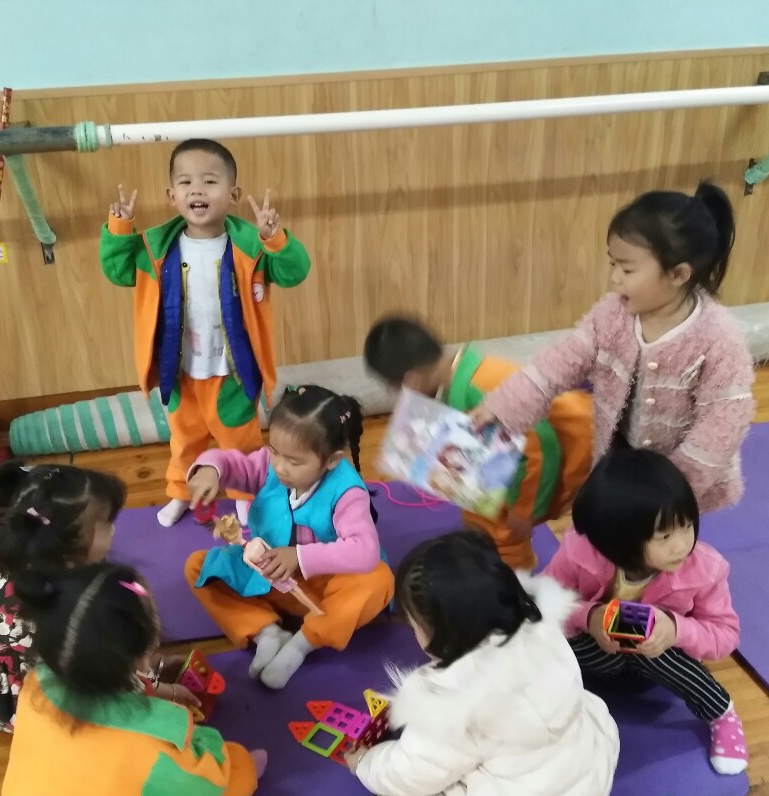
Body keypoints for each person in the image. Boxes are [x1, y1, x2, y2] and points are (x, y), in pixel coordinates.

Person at [473, 181, 754, 512]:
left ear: (678, 274)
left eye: (627, 268)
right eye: (613, 264)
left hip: (678, 484)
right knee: (613, 530)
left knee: (661, 540)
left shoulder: (718, 336)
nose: (615, 278)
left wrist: (674, 490)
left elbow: (724, 422)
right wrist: (502, 407)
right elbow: (555, 366)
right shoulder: (611, 315)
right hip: (619, 462)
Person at [346, 531, 619, 796]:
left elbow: (411, 771)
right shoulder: (542, 629)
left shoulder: (454, 702)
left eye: (415, 626)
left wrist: (365, 764)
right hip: (583, 786)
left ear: (442, 632)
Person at [100, 138, 312, 528]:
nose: (197, 190)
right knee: (185, 442)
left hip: (231, 372)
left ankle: (246, 494)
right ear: (172, 196)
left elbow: (294, 271)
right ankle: (182, 491)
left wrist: (274, 238)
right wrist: (120, 228)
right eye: (185, 182)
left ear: (233, 194)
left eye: (210, 181)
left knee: (240, 440)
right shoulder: (154, 248)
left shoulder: (250, 246)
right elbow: (118, 271)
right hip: (180, 371)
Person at [0, 563, 265, 796]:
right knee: (235, 768)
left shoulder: (37, 682)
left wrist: (154, 693)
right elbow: (199, 791)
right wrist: (209, 746)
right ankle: (247, 769)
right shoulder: (145, 750)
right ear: (142, 657)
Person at [0, 461, 196, 733]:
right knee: (100, 712)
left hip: (17, 652)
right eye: (106, 524)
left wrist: (147, 664)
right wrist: (160, 691)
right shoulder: (46, 608)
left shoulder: (41, 558)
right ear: (71, 551)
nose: (114, 530)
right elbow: (94, 673)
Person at [544, 448, 747, 775]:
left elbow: (725, 635)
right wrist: (590, 618)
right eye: (664, 536)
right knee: (541, 647)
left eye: (686, 526)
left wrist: (674, 629)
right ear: (618, 538)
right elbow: (545, 602)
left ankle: (721, 713)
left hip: (657, 663)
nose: (681, 545)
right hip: (599, 657)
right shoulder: (580, 551)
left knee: (653, 651)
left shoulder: (705, 570)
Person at [184, 385, 394, 689]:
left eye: (295, 461)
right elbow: (232, 464)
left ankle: (302, 643)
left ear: (331, 460)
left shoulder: (347, 491)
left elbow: (365, 550)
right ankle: (267, 632)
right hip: (269, 577)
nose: (280, 467)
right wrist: (210, 469)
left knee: (378, 580)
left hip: (324, 592)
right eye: (274, 452)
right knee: (198, 568)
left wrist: (299, 556)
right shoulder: (269, 467)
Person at [364, 314, 593, 569]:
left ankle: (512, 579)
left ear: (412, 379)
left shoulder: (480, 389)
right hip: (533, 458)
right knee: (481, 516)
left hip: (577, 453)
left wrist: (526, 510)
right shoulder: (462, 376)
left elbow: (542, 446)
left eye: (396, 388)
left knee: (505, 535)